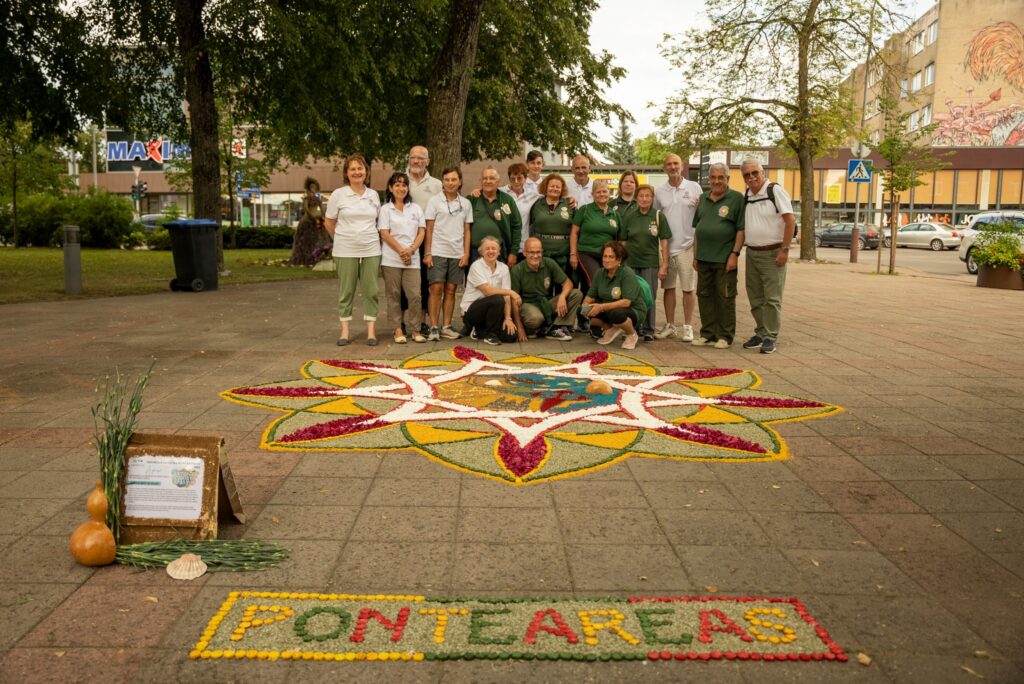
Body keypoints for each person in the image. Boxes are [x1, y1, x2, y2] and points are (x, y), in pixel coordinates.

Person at [324, 153, 382, 346]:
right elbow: (329, 222)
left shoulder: (373, 195)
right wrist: (341, 239)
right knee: (346, 291)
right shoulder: (338, 195)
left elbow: (378, 221)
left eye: (360, 169)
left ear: (366, 172)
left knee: (371, 290)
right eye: (353, 169)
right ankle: (345, 332)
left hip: (371, 249)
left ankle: (371, 332)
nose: (357, 172)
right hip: (345, 250)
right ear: (346, 173)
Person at [739, 158, 795, 355]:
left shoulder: (774, 191)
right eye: (747, 174)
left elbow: (790, 221)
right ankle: (761, 332)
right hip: (752, 252)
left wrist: (785, 250)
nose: (752, 177)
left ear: (762, 172)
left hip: (773, 252)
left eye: (755, 172)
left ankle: (771, 336)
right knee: (755, 296)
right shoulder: (747, 195)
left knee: (772, 298)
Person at [692, 162, 745, 348]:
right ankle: (708, 333)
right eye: (713, 177)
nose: (716, 181)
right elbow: (698, 229)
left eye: (720, 177)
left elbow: (741, 230)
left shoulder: (737, 198)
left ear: (727, 178)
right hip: (704, 258)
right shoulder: (703, 198)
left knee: (725, 297)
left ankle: (725, 336)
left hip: (725, 258)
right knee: (704, 296)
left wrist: (735, 254)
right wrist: (695, 255)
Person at [654, 153, 703, 342]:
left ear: (682, 166)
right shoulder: (660, 192)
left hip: (687, 247)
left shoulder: (694, 187)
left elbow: (701, 215)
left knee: (688, 289)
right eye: (669, 164)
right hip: (666, 248)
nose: (673, 167)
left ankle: (688, 326)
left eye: (676, 164)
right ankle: (670, 325)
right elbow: (657, 218)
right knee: (668, 288)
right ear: (664, 168)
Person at [424, 167, 473, 341]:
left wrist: (466, 253)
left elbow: (467, 230)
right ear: (443, 182)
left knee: (451, 290)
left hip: (457, 252)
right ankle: (434, 327)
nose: (450, 183)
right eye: (447, 180)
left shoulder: (466, 203)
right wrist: (428, 252)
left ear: (460, 182)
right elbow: (429, 228)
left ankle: (446, 326)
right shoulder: (434, 202)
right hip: (437, 251)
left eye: (453, 180)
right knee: (436, 289)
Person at [378, 172, 427, 344]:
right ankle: (397, 329)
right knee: (394, 294)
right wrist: (401, 251)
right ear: (390, 188)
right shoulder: (385, 209)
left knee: (414, 295)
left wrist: (411, 250)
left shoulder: (416, 208)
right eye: (397, 185)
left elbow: (422, 231)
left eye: (404, 185)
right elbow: (384, 233)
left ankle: (415, 329)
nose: (401, 188)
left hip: (412, 259)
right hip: (391, 259)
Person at [618, 184, 670, 340]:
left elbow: (665, 242)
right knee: (631, 297)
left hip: (650, 263)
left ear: (652, 198)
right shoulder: (630, 216)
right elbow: (623, 241)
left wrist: (665, 265)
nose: (644, 199)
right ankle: (632, 328)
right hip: (631, 263)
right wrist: (622, 263)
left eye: (648, 196)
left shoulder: (658, 216)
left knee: (649, 297)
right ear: (636, 198)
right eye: (641, 196)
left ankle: (648, 330)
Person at [510, 237, 580, 341]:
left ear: (542, 252)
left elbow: (568, 283)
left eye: (538, 252)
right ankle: (535, 328)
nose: (535, 255)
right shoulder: (517, 270)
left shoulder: (548, 262)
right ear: (524, 253)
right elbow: (513, 300)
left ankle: (557, 327)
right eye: (531, 252)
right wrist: (519, 328)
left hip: (546, 303)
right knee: (536, 319)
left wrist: (562, 297)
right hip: (528, 305)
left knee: (576, 294)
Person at [582, 241, 646, 351]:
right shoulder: (600, 273)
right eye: (605, 256)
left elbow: (627, 302)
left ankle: (631, 334)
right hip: (609, 309)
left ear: (619, 259)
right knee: (583, 311)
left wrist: (601, 307)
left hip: (633, 310)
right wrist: (584, 306)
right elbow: (591, 295)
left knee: (617, 314)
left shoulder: (627, 273)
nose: (606, 260)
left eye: (611, 257)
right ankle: (611, 328)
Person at [406, 146, 442, 336]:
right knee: (403, 284)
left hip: (428, 242)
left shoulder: (436, 185)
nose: (416, 161)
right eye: (413, 157)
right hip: (403, 243)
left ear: (428, 161)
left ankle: (421, 322)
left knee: (423, 284)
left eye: (421, 158)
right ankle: (403, 322)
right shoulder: (400, 180)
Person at [460, 236, 520, 345]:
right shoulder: (476, 266)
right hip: (472, 311)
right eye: (487, 249)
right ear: (481, 252)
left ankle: (479, 330)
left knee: (511, 336)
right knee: (497, 299)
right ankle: (490, 335)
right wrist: (511, 292)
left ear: (499, 252)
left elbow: (506, 297)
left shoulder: (504, 268)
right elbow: (488, 291)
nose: (491, 251)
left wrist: (508, 318)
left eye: (494, 249)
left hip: (494, 311)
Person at [570, 179, 621, 288]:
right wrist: (573, 254)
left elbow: (618, 238)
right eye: (598, 192)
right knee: (596, 281)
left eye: (604, 191)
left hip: (607, 256)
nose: (602, 194)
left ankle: (593, 304)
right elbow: (574, 233)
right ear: (592, 194)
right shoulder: (584, 210)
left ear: (609, 193)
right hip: (587, 253)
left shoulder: (615, 214)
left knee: (606, 283)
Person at [469, 166, 521, 267]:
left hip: (500, 253)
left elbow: (517, 226)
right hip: (475, 253)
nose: (488, 181)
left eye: (492, 178)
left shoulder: (507, 200)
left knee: (498, 282)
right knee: (475, 283)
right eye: (485, 178)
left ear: (498, 181)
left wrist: (513, 252)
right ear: (480, 181)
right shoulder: (472, 199)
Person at [529, 173, 574, 274]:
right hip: (541, 255)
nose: (555, 189)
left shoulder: (569, 205)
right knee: (544, 287)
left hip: (564, 254)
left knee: (563, 286)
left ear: (562, 189)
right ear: (546, 187)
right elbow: (530, 227)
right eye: (552, 186)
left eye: (558, 187)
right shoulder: (536, 204)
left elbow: (575, 229)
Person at [502, 162, 540, 263]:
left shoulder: (533, 195)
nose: (516, 181)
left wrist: (570, 199)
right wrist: (476, 191)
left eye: (519, 178)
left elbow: (552, 196)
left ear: (525, 178)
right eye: (512, 178)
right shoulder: (500, 193)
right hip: (504, 245)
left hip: (523, 245)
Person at [290, 176, 328, 266]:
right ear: (309, 188)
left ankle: (318, 256)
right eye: (312, 187)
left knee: (319, 239)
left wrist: (323, 217)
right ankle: (304, 258)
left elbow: (322, 209)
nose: (313, 189)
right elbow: (306, 209)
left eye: (315, 187)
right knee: (305, 240)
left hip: (317, 219)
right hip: (307, 220)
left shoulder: (318, 199)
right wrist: (312, 217)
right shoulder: (306, 199)